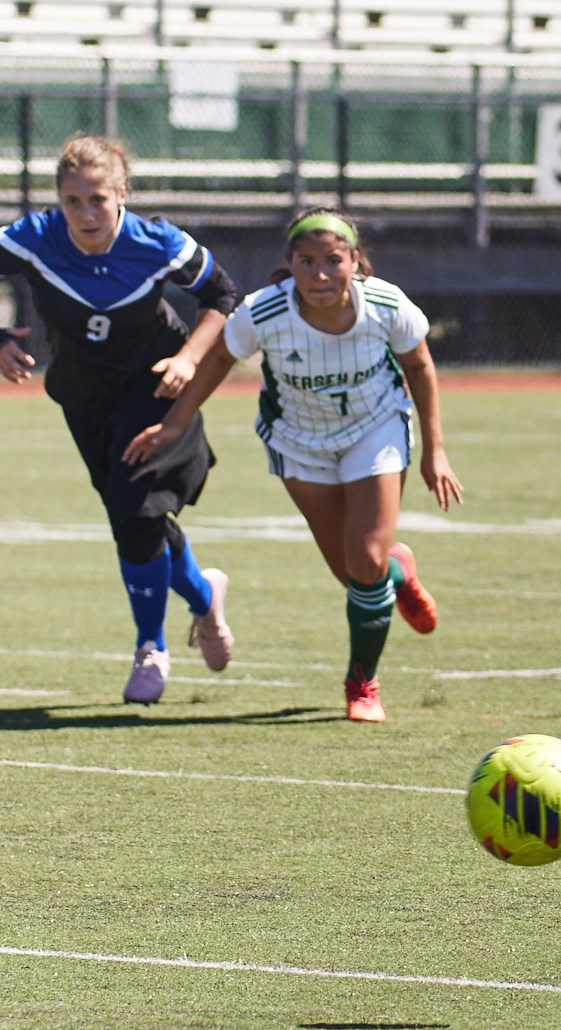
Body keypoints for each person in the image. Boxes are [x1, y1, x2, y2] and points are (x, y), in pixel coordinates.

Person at [125, 207, 461, 722]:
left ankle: (362, 682)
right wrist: (172, 423)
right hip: (299, 442)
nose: (320, 275)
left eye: (333, 260)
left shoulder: (386, 304)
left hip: (376, 432)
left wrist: (435, 450)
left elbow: (419, 364)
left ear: (355, 261)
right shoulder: (264, 312)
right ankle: (401, 571)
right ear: (290, 263)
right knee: (355, 576)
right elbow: (219, 358)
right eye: (307, 262)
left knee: (365, 561)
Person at [0, 134, 237, 704]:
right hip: (84, 397)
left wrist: (188, 358)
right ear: (58, 201)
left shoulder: (157, 242)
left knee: (134, 511)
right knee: (135, 517)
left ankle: (150, 649)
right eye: (73, 201)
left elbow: (223, 297)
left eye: (98, 200)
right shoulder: (34, 238)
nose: (85, 214)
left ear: (122, 194)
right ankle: (205, 596)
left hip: (155, 387)